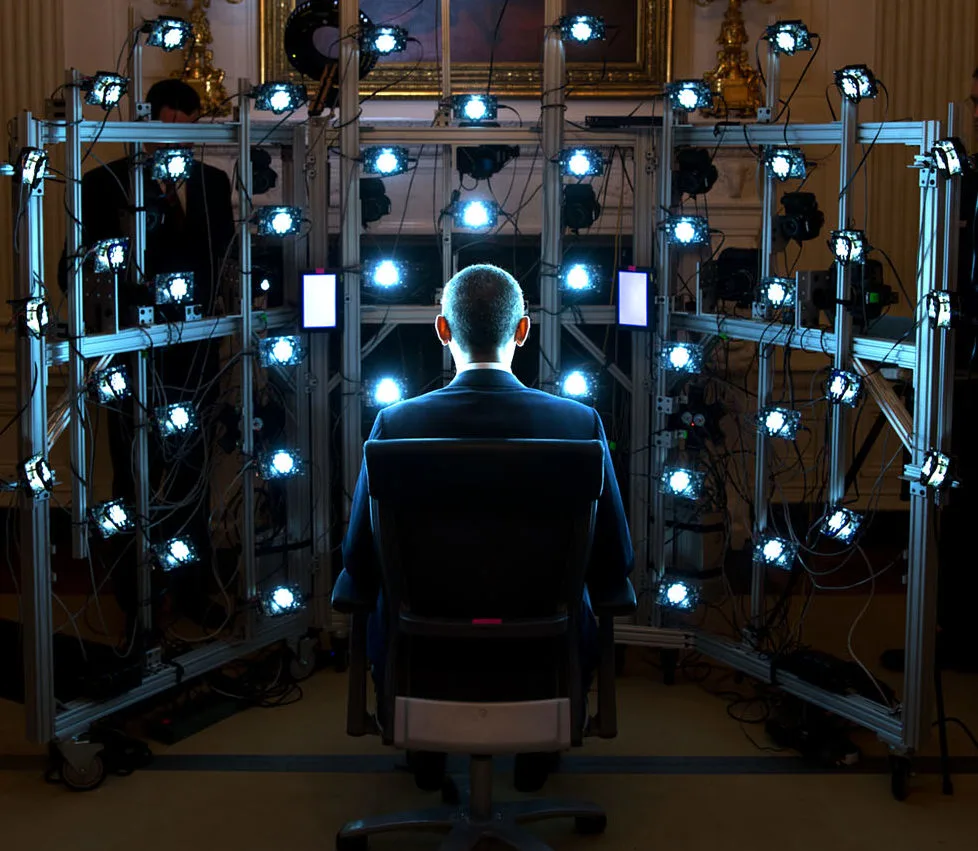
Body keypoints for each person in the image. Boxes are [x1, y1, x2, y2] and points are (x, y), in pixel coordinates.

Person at [340, 264, 634, 791]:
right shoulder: (578, 425)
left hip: (423, 659)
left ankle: (425, 751)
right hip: (543, 660)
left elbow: (359, 561)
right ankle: (537, 752)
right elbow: (616, 563)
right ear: (523, 329)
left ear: (442, 330)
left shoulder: (397, 426)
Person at [59, 79, 235, 637]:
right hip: (130, 359)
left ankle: (193, 590)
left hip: (196, 355)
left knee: (192, 472)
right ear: (146, 119)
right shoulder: (103, 183)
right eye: (168, 117)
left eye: (188, 119)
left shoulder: (212, 182)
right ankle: (138, 600)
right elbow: (78, 265)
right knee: (135, 476)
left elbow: (226, 259)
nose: (177, 129)